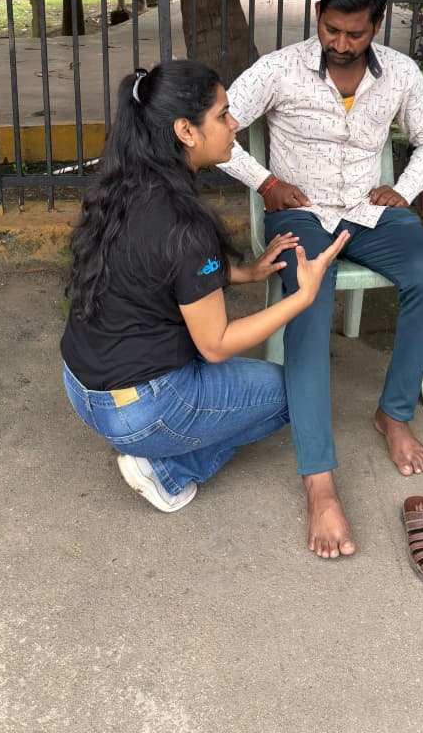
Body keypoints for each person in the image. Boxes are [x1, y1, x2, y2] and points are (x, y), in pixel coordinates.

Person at [218, 0, 423, 559]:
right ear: (318, 20)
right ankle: (319, 481)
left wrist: (404, 187)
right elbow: (216, 130)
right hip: (300, 213)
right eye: (331, 29)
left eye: (354, 33)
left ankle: (393, 414)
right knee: (307, 303)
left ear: (375, 26)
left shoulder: (398, 73)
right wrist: (265, 180)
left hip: (368, 211)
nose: (340, 44)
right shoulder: (280, 69)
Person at [61, 61, 348, 515]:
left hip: (82, 386)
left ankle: (157, 441)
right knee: (295, 393)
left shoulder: (126, 183)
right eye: (222, 114)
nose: (234, 124)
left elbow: (160, 271)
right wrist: (303, 297)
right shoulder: (182, 223)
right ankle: (169, 471)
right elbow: (215, 345)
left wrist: (246, 273)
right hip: (138, 407)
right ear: (186, 131)